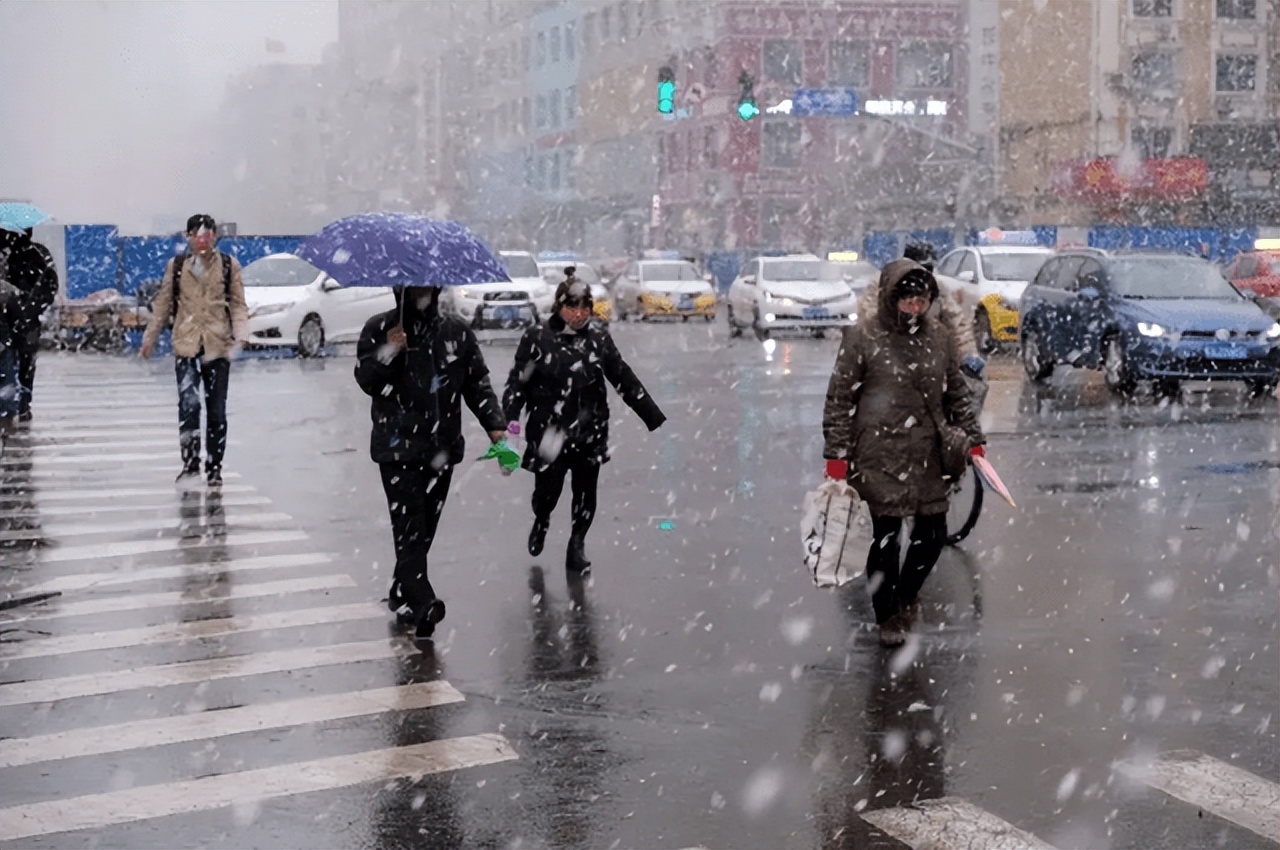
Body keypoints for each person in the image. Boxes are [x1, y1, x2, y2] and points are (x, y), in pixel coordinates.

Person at [823, 259, 985, 647]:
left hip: (927, 450)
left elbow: (956, 393)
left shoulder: (940, 338)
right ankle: (888, 616)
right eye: (908, 300)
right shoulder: (863, 337)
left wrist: (974, 437)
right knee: (885, 538)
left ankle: (907, 593)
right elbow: (839, 398)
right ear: (891, 298)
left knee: (932, 535)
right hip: (877, 452)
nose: (915, 308)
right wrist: (837, 455)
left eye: (922, 301)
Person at [355, 285, 508, 642]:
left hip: (442, 447)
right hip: (397, 449)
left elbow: (477, 384)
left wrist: (497, 430)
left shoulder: (455, 332)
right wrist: (389, 352)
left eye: (427, 283)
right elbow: (367, 381)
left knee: (424, 530)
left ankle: (401, 587)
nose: (421, 290)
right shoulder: (379, 328)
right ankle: (423, 602)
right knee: (409, 529)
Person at [503, 275, 666, 573]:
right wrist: (510, 425)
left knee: (585, 492)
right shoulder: (537, 338)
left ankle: (576, 545)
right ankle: (542, 519)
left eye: (584, 308)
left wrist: (650, 414)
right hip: (549, 433)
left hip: (589, 431)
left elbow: (622, 377)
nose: (578, 314)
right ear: (559, 307)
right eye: (572, 307)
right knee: (546, 492)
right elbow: (517, 385)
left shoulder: (598, 339)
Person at [140, 214, 248, 488]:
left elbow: (237, 303)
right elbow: (164, 304)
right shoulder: (177, 266)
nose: (202, 240)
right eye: (196, 234)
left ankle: (214, 467)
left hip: (217, 345)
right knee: (189, 406)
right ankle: (190, 464)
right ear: (188, 237)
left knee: (216, 411)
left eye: (207, 234)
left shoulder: (227, 265)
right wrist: (149, 337)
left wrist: (242, 334)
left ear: (214, 237)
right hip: (187, 345)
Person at [1, 228, 58, 421]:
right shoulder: (38, 253)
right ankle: (22, 402)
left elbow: (49, 285)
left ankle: (17, 401)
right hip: (24, 319)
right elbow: (50, 285)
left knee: (17, 359)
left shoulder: (9, 253)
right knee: (25, 360)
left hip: (13, 318)